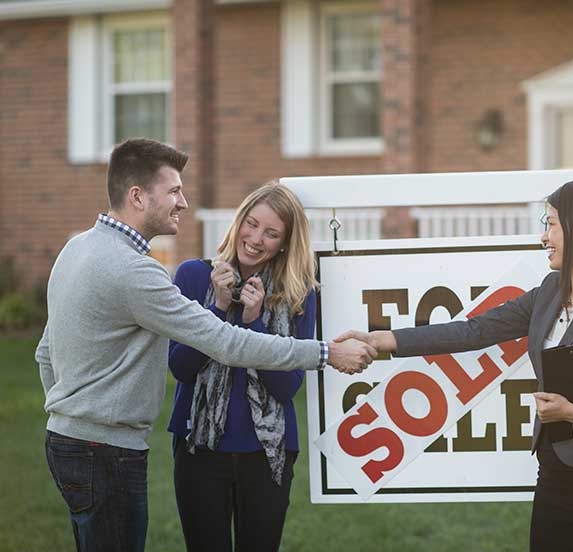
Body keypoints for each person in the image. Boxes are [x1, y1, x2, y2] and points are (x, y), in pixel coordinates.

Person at [34, 138, 375, 552]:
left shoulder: (77, 247)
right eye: (174, 191)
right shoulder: (142, 272)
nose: (183, 201)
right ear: (139, 196)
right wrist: (325, 352)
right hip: (112, 450)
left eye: (271, 233)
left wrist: (68, 414)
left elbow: (45, 352)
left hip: (73, 442)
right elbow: (217, 347)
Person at [337, 179, 573, 551]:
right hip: (553, 477)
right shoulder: (547, 294)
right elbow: (473, 331)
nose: (544, 236)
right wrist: (382, 340)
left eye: (551, 224)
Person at [167, 183, 316, 551]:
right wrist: (216, 311)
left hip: (266, 452)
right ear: (238, 222)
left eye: (271, 233)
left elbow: (285, 390)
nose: (255, 238)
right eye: (251, 224)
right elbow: (181, 369)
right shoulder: (192, 276)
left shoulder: (298, 293)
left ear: (284, 243)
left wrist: (254, 322)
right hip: (198, 448)